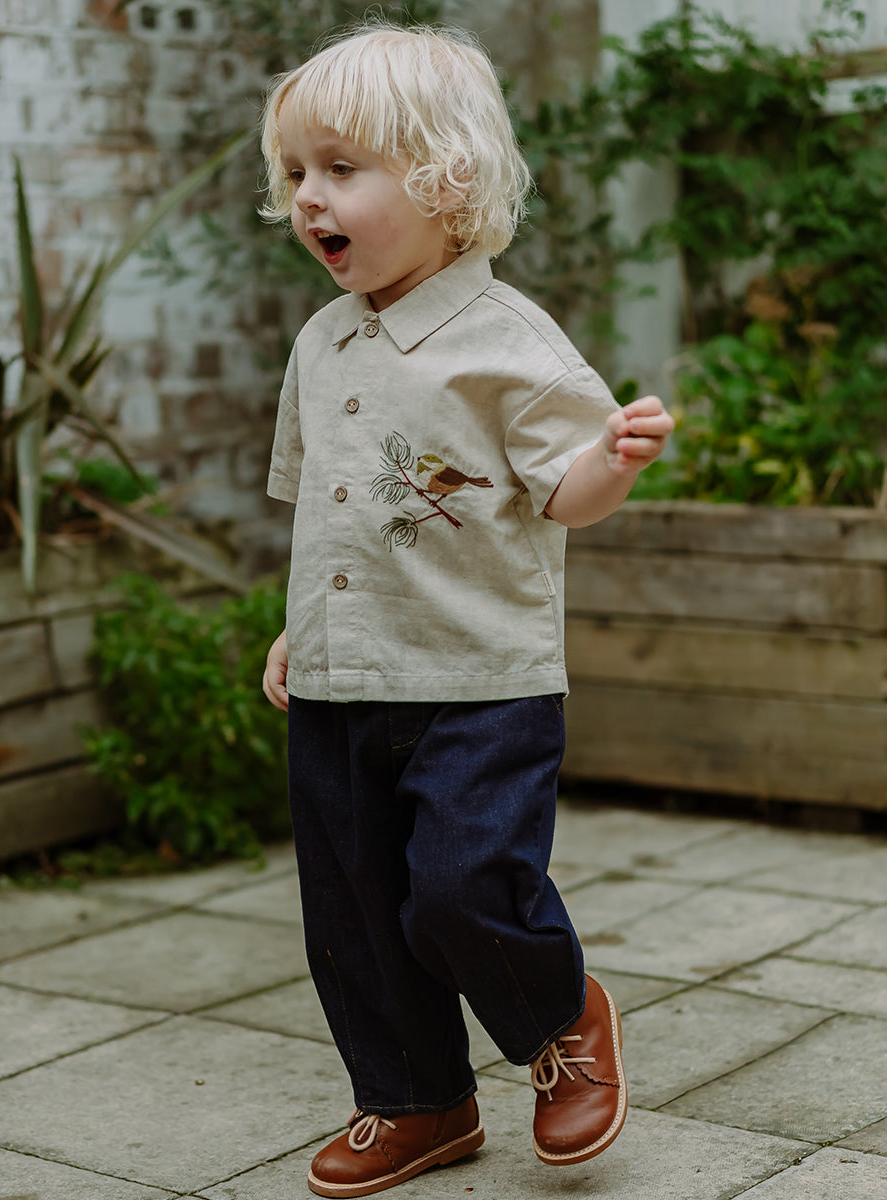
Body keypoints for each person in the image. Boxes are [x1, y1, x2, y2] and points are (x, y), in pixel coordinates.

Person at [260, 21, 673, 1198]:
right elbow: (329, 512)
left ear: (447, 179)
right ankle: (417, 1101)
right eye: (296, 172)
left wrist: (614, 462)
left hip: (480, 680)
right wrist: (301, 624)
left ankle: (559, 1017)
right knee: (353, 911)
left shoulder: (509, 345)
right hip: (343, 682)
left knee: (459, 885)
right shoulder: (321, 344)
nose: (308, 196)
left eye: (342, 168)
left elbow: (566, 496)